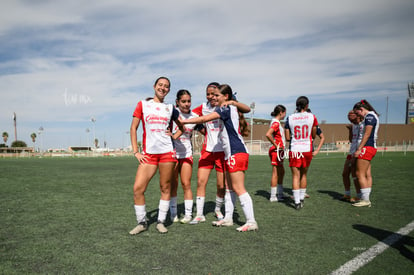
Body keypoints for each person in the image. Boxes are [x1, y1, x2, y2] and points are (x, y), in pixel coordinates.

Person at [180, 84, 258, 232]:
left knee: (238, 188)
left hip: (236, 151)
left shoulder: (224, 108)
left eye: (217, 95)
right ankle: (228, 218)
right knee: (229, 188)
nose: (213, 98)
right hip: (231, 153)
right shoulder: (229, 107)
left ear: (225, 96)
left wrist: (185, 121)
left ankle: (251, 221)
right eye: (212, 95)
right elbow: (246, 109)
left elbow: (206, 118)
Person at [129, 76, 183, 235]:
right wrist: (136, 151)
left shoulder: (170, 108)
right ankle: (142, 222)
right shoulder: (143, 104)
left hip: (167, 153)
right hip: (149, 155)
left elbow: (182, 127)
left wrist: (174, 135)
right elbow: (133, 128)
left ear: (169, 90)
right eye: (160, 85)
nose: (163, 88)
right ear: (154, 86)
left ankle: (160, 221)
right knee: (138, 188)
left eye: (166, 86)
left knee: (165, 187)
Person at [169, 90, 204, 224]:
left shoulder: (194, 116)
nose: (186, 104)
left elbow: (206, 131)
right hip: (171, 154)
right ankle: (173, 214)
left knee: (186, 184)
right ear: (177, 102)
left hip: (186, 154)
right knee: (173, 184)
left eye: (189, 101)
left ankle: (188, 214)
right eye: (183, 101)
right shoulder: (171, 113)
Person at [284, 96, 318, 210]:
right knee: (304, 174)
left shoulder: (290, 118)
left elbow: (287, 137)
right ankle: (302, 197)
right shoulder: (312, 117)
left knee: (295, 176)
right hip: (307, 148)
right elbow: (313, 134)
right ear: (307, 105)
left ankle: (297, 202)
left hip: (294, 149)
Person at [352, 99, 380, 207]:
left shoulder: (369, 116)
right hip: (370, 147)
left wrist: (359, 149)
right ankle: (366, 198)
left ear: (361, 109)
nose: (356, 115)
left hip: (367, 147)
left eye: (357, 112)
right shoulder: (371, 116)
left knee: (360, 173)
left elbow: (367, 134)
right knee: (367, 173)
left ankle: (365, 199)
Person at [341, 110, 363, 202]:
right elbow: (351, 140)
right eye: (348, 116)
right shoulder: (353, 126)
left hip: (359, 153)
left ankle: (359, 195)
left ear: (357, 115)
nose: (349, 118)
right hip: (351, 152)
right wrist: (350, 130)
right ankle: (347, 194)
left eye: (351, 116)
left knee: (355, 175)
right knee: (345, 173)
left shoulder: (363, 125)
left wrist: (358, 152)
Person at [265, 105, 286, 202]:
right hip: (276, 151)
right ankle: (273, 196)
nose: (285, 115)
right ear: (281, 112)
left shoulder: (276, 122)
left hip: (279, 150)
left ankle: (280, 194)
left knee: (281, 172)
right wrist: (276, 145)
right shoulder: (276, 123)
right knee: (276, 172)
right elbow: (268, 134)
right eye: (285, 113)